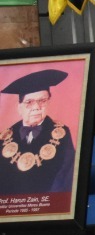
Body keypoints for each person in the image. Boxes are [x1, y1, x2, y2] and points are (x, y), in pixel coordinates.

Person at [0, 69, 78, 197]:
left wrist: (46, 204)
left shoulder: (62, 133)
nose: (36, 107)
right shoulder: (4, 138)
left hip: (48, 202)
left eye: (42, 101)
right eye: (29, 102)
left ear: (49, 102)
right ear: (19, 107)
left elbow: (66, 176)